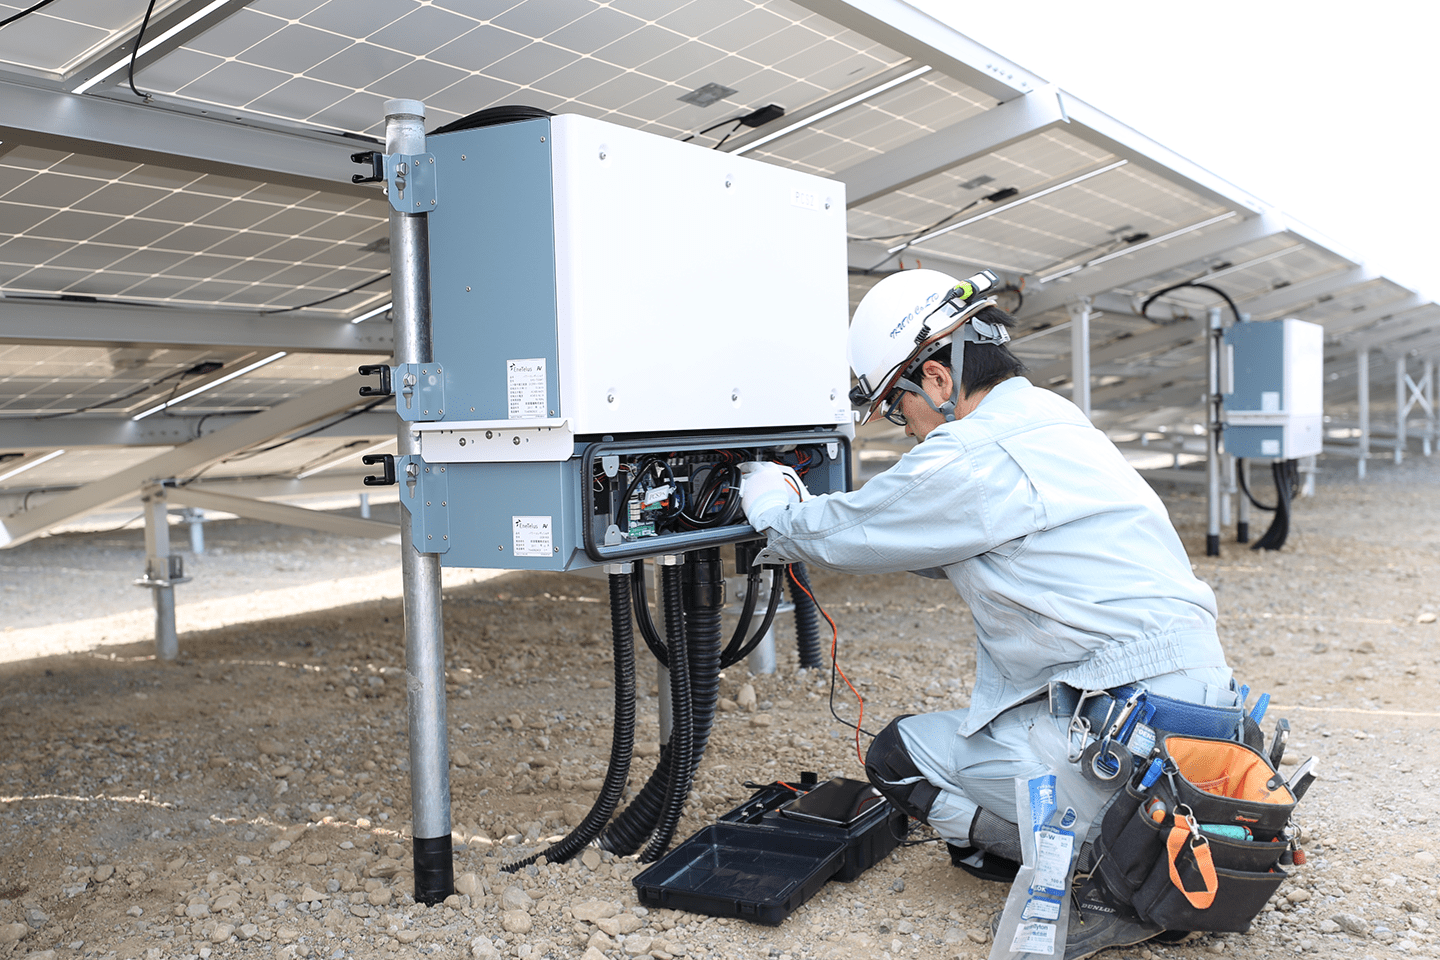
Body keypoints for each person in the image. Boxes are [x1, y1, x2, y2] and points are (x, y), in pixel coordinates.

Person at [738, 268, 1239, 959]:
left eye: (899, 408)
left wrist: (772, 506)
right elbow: (950, 541)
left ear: (937, 379)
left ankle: (1125, 871)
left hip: (1125, 734)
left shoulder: (972, 451)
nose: (906, 428)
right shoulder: (1056, 420)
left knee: (899, 754)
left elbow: (845, 531)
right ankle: (1163, 843)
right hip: (1206, 716)